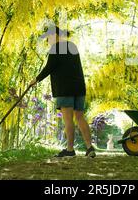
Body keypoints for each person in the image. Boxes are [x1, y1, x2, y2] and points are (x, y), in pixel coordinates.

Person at [29, 25, 96, 158]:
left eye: (48, 37)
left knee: (68, 120)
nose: (48, 41)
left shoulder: (55, 49)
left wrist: (35, 80)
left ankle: (70, 150)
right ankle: (89, 148)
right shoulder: (72, 46)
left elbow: (48, 68)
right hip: (79, 87)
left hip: (65, 89)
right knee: (80, 117)